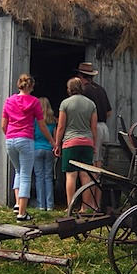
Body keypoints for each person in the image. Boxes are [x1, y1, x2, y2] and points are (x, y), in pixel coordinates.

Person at [1, 74, 56, 222]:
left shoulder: (9, 100)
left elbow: (3, 125)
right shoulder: (34, 102)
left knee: (18, 171)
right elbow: (42, 125)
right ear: (31, 86)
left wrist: (9, 135)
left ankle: (18, 204)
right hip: (25, 139)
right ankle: (22, 214)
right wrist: (52, 141)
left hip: (10, 139)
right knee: (26, 175)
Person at [55, 77, 97, 206]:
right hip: (87, 142)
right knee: (85, 175)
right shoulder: (91, 104)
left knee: (71, 175)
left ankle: (70, 206)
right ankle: (85, 206)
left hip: (70, 142)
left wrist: (57, 144)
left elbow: (61, 126)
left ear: (69, 89)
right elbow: (93, 127)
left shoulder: (65, 104)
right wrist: (93, 143)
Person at [75, 62, 111, 168]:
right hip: (104, 127)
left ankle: (91, 184)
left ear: (80, 76)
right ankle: (97, 184)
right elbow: (109, 112)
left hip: (93, 127)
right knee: (99, 159)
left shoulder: (84, 90)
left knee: (91, 160)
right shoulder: (101, 89)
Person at [33, 97, 57, 211]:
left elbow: (32, 134)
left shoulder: (35, 120)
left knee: (39, 177)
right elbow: (55, 138)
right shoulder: (53, 121)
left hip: (36, 149)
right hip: (49, 149)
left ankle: (41, 205)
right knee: (48, 177)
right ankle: (50, 204)